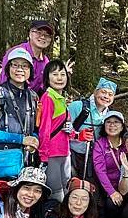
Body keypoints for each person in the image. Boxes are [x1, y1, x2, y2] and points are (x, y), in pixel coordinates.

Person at [38, 59, 93, 202]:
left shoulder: (61, 99)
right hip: (52, 155)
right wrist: (43, 157)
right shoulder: (48, 98)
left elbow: (64, 129)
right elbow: (44, 129)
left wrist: (79, 135)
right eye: (55, 74)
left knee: (66, 190)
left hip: (65, 153)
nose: (59, 78)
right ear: (47, 78)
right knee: (56, 195)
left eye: (62, 74)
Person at [0, 48, 39, 179]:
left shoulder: (33, 96)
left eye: (25, 66)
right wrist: (21, 140)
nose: (20, 69)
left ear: (31, 70)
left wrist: (34, 140)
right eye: (15, 65)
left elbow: (34, 128)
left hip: (26, 162)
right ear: (8, 68)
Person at [0, 20, 74, 95]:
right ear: (30, 34)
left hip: (31, 102)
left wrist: (62, 73)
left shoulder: (45, 61)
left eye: (47, 35)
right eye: (39, 32)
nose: (43, 37)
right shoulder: (16, 53)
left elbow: (46, 87)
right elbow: (4, 80)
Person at [68, 77, 117, 179]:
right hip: (71, 156)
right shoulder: (77, 107)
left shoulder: (109, 115)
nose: (106, 96)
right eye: (103, 92)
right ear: (95, 92)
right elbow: (60, 131)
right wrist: (77, 136)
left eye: (110, 94)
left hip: (95, 158)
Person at [92, 110, 127, 218]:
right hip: (107, 187)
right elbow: (100, 171)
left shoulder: (126, 142)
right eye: (109, 122)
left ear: (122, 126)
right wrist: (112, 192)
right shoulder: (100, 144)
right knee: (110, 206)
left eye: (116, 122)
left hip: (127, 183)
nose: (112, 125)